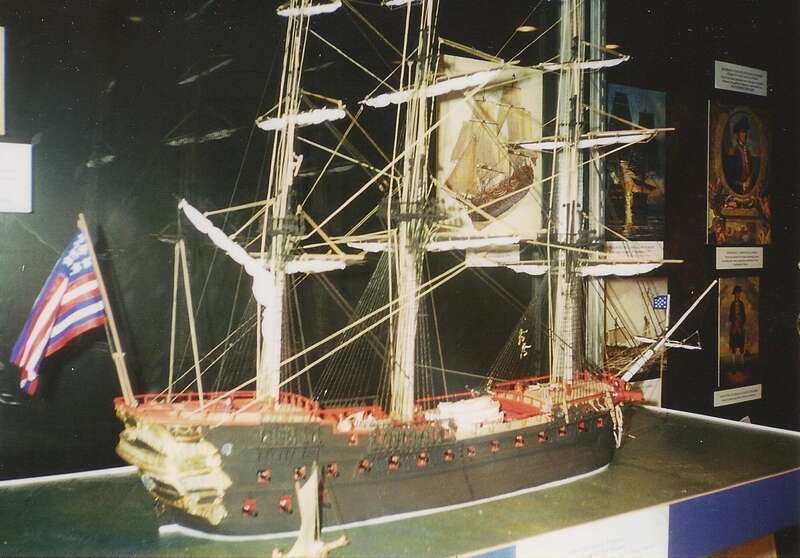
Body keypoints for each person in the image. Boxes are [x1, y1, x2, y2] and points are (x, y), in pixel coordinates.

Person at [723, 116, 760, 195]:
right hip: (738, 190)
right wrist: (742, 185)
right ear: (738, 134)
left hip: (750, 188)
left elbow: (751, 171)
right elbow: (729, 178)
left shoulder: (748, 152)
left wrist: (750, 179)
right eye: (742, 132)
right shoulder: (733, 152)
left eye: (745, 132)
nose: (745, 135)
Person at [729, 285, 746, 366]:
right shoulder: (732, 304)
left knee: (741, 343)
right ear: (734, 294)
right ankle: (733, 363)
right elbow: (730, 316)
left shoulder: (742, 304)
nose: (738, 294)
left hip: (740, 326)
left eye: (739, 293)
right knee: (733, 343)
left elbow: (744, 316)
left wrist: (741, 322)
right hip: (734, 326)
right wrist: (734, 321)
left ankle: (742, 362)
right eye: (736, 293)